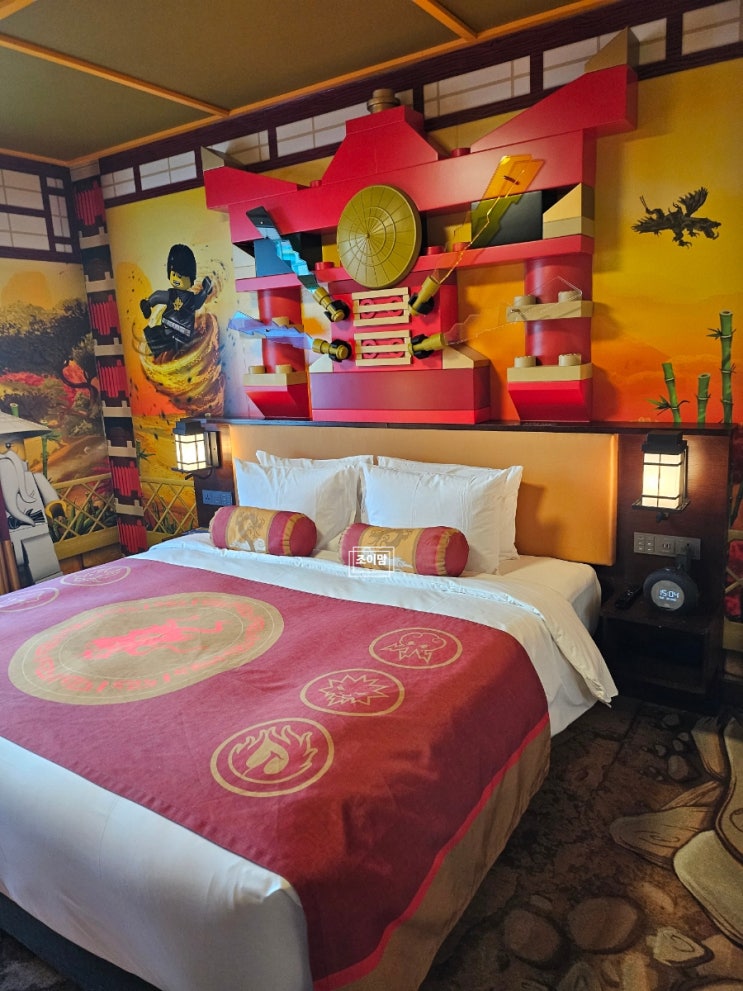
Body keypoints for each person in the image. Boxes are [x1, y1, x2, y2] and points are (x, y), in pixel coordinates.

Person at [0, 434, 64, 584]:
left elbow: (51, 499)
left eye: (9, 446)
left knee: (45, 571)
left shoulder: (35, 478)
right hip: (6, 544)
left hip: (37, 533)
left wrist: (55, 510)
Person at [140, 243, 213, 362]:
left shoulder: (190, 298)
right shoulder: (172, 294)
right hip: (168, 328)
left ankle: (173, 353)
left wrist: (205, 291)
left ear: (190, 278)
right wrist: (148, 303)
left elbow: (198, 302)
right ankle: (162, 354)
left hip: (182, 332)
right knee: (154, 334)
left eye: (181, 276)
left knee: (170, 343)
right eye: (174, 274)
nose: (176, 279)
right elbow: (159, 295)